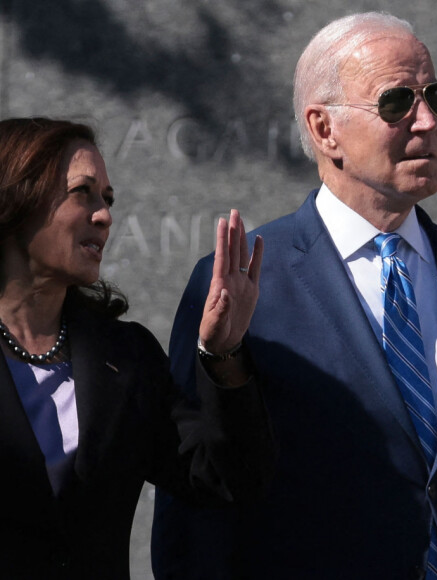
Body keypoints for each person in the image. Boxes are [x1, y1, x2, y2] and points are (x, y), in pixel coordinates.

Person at [152, 11, 437, 580]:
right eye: (397, 102)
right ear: (325, 129)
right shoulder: (244, 282)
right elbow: (198, 507)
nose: (427, 121)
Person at [0, 117, 274, 579]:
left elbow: (224, 478)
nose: (104, 215)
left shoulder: (125, 356)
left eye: (107, 199)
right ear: (16, 198)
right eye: (81, 192)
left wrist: (224, 354)